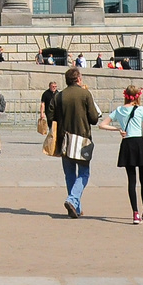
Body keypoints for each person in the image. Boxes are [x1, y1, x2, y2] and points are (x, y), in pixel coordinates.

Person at [98, 83, 143, 224]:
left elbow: (101, 124)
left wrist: (117, 129)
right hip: (140, 144)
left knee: (131, 180)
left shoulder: (119, 110)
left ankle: (135, 213)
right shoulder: (142, 110)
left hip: (127, 144)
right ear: (137, 97)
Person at [53, 66, 101, 219]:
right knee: (84, 173)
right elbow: (94, 118)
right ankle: (72, 199)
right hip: (82, 139)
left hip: (64, 139)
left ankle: (76, 207)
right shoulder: (85, 94)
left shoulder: (59, 96)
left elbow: (51, 116)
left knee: (69, 173)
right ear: (78, 79)